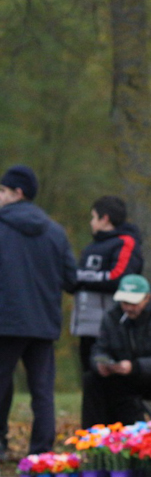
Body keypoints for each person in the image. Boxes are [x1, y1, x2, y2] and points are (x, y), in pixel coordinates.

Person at [0, 165, 77, 458]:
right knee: (42, 391)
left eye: (3, 191)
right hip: (43, 323)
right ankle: (42, 451)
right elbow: (71, 279)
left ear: (17, 193)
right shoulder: (55, 232)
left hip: (5, 321)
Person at [80, 274, 151, 427]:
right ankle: (96, 437)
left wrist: (135, 366)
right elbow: (100, 349)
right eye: (124, 302)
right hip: (129, 377)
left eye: (133, 303)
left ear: (147, 298)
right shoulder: (112, 317)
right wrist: (101, 364)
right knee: (92, 379)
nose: (128, 307)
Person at [71, 195, 144, 374]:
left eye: (93, 217)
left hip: (111, 324)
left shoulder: (126, 242)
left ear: (105, 219)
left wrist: (82, 279)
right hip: (86, 323)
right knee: (89, 373)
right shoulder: (91, 247)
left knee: (109, 375)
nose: (91, 222)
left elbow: (117, 278)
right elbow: (76, 279)